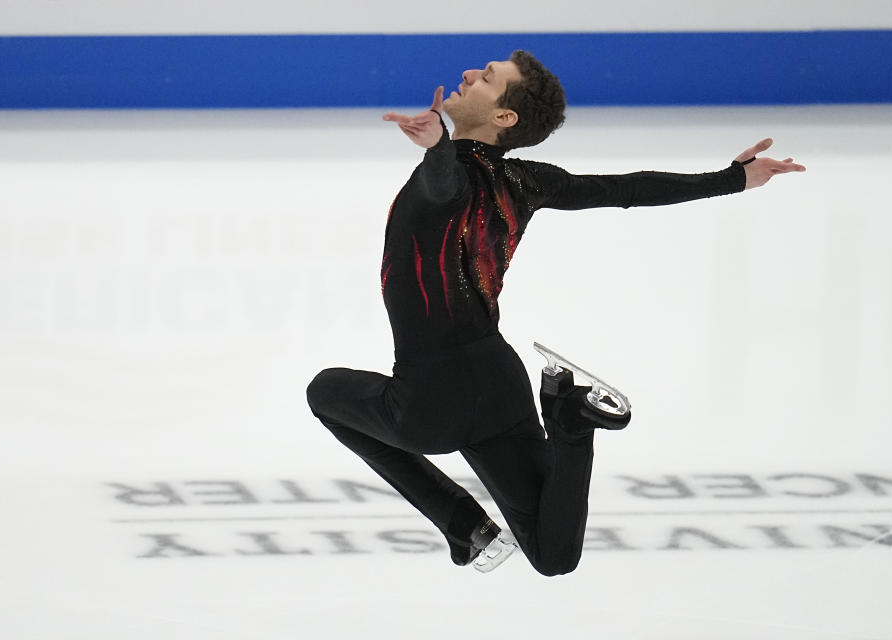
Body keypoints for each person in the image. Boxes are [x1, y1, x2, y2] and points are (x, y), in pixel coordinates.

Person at [306, 50, 805, 576]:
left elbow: (445, 188)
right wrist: (731, 179)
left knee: (324, 392)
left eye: (487, 79)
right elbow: (625, 189)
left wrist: (436, 150)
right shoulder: (528, 181)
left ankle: (462, 522)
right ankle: (572, 422)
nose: (469, 74)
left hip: (429, 399)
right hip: (499, 383)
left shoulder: (447, 177)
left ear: (504, 117)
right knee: (551, 554)